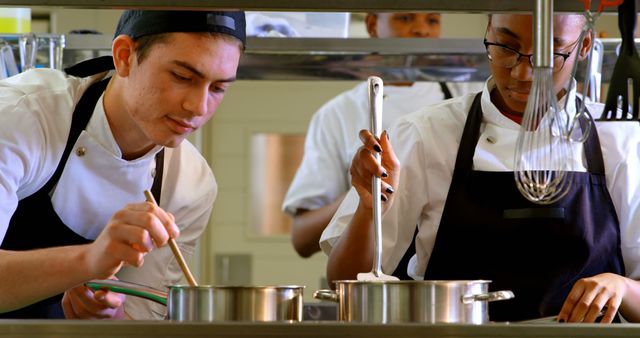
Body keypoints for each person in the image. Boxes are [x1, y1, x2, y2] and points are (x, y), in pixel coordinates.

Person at [322, 13, 640, 323]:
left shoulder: (621, 137)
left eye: (548, 55)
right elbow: (347, 281)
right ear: (488, 32)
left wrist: (622, 287)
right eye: (505, 47)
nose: (522, 73)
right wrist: (367, 209)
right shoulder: (427, 132)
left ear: (585, 46)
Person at [0, 10, 245, 319]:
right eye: (182, 77)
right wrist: (89, 260)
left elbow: (139, 322)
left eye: (218, 88)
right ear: (125, 56)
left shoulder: (190, 184)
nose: (198, 107)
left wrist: (107, 313)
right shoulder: (23, 117)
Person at [282, 12, 483, 258]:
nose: (421, 30)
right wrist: (360, 193)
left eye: (432, 20)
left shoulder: (467, 98)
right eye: (406, 18)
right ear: (372, 24)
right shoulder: (337, 114)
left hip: (453, 270)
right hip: (369, 280)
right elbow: (302, 238)